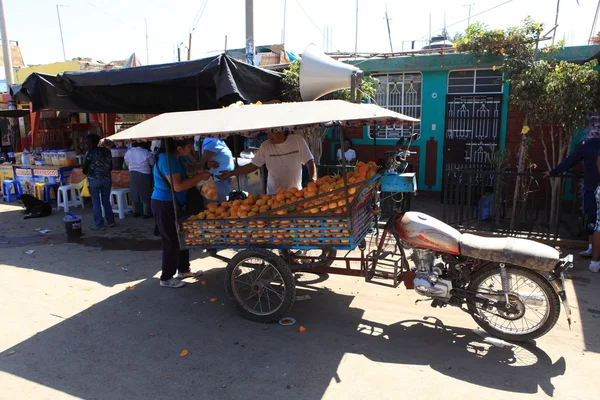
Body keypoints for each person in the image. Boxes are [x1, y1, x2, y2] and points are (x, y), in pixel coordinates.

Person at [152, 138, 211, 288]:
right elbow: (178, 186)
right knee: (171, 241)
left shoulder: (178, 157)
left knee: (182, 237)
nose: (191, 150)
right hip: (164, 204)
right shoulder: (167, 160)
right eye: (189, 147)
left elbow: (188, 170)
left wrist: (204, 167)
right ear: (179, 148)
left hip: (177, 204)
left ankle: (184, 269)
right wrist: (200, 177)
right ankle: (166, 277)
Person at [544, 126, 600, 257]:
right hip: (592, 190)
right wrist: (554, 172)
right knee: (591, 218)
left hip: (592, 189)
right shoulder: (589, 145)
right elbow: (571, 160)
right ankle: (591, 248)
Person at [217, 130, 316, 194]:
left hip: (295, 193)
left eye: (271, 133)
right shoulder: (265, 146)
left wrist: (313, 180)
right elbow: (252, 166)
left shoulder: (297, 141)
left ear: (281, 131)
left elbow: (309, 161)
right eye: (268, 133)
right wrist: (231, 173)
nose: (269, 136)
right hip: (272, 196)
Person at [84, 134, 115, 231]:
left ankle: (99, 224)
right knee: (106, 201)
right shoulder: (106, 151)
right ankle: (111, 222)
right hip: (106, 179)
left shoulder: (90, 153)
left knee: (96, 202)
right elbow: (111, 167)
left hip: (94, 179)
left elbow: (85, 169)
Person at [199, 136, 234, 202]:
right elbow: (203, 163)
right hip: (219, 180)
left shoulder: (216, 141)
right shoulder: (212, 142)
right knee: (225, 205)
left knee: (227, 204)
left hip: (222, 179)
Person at [125, 142, 155, 218]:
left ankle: (134, 211)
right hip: (144, 173)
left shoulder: (129, 152)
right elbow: (152, 163)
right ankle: (145, 212)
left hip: (132, 173)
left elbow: (127, 163)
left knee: (134, 191)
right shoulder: (146, 152)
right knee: (145, 191)